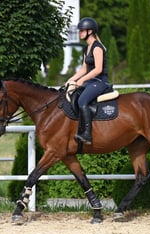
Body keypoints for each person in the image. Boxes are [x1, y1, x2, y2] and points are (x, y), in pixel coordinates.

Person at [66, 17, 110, 145]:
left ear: (90, 31)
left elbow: (98, 69)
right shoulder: (87, 48)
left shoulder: (97, 47)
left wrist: (82, 80)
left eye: (82, 31)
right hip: (90, 81)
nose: (79, 33)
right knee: (74, 96)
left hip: (100, 81)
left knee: (82, 100)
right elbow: (84, 69)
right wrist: (70, 80)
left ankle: (87, 134)